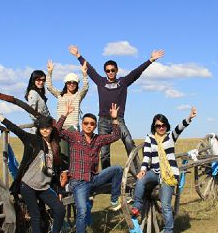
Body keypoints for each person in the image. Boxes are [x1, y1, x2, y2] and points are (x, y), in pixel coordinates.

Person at [68, 45, 165, 200]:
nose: (110, 72)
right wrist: (78, 56)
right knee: (104, 151)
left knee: (129, 142)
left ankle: (139, 171)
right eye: (108, 70)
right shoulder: (101, 82)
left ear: (117, 70)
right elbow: (90, 70)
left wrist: (150, 60)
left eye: (113, 70)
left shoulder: (123, 82)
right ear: (105, 72)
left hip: (118, 120)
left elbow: (136, 72)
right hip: (103, 120)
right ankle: (107, 177)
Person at [54, 102, 123, 233]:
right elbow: (57, 131)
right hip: (79, 182)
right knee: (83, 211)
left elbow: (115, 136)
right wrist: (65, 114)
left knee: (117, 169)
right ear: (82, 124)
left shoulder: (98, 139)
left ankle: (114, 200)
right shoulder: (74, 137)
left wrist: (114, 119)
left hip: (93, 178)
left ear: (95, 126)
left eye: (92, 124)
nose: (89, 126)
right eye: (86, 123)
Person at [0, 110, 65, 233]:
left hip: (44, 186)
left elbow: (55, 171)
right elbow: (17, 130)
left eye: (47, 127)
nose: (44, 130)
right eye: (42, 127)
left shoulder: (54, 146)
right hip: (28, 185)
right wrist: (1, 117)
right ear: (39, 129)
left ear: (51, 128)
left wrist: (58, 190)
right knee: (35, 215)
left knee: (59, 208)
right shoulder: (33, 140)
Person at [131, 107, 197, 233]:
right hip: (155, 172)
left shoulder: (170, 137)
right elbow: (147, 156)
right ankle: (137, 206)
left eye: (163, 125)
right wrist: (143, 170)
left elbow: (180, 127)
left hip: (169, 174)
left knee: (166, 205)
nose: (161, 128)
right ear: (154, 126)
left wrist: (189, 117)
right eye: (158, 126)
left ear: (166, 125)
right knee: (141, 179)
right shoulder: (150, 138)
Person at [46, 58, 89, 183]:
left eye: (74, 83)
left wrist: (84, 74)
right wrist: (50, 72)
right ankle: (62, 177)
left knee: (72, 154)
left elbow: (85, 87)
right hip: (60, 127)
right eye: (69, 82)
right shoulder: (60, 95)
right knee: (60, 153)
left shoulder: (78, 96)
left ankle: (70, 177)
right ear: (65, 83)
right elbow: (49, 86)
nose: (71, 84)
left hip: (72, 127)